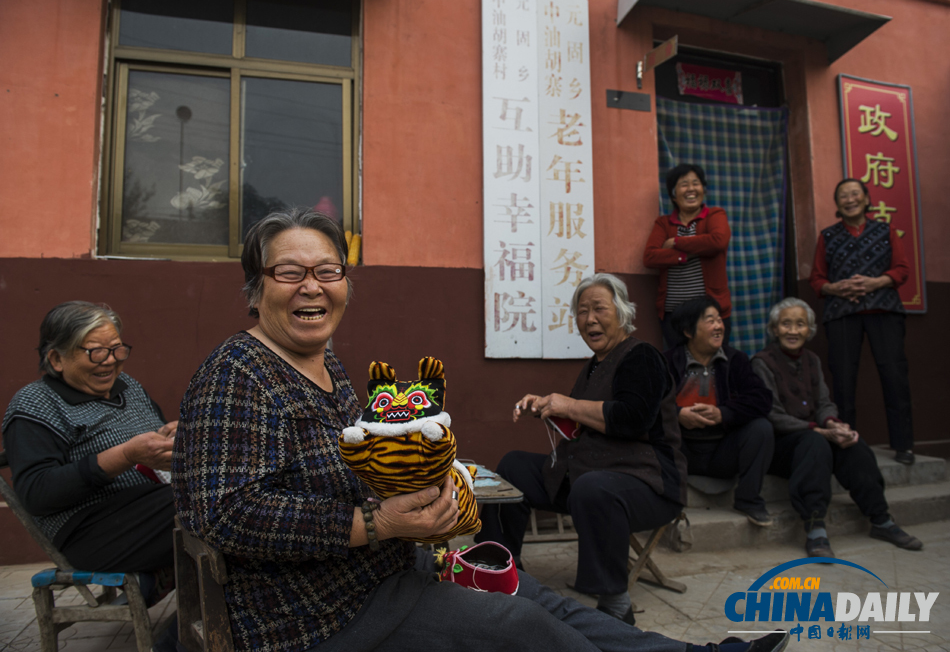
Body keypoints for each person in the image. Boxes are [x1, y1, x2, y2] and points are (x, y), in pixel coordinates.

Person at [172, 212, 787, 652]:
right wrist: (380, 523)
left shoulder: (325, 365)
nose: (312, 286)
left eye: (328, 269)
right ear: (256, 291)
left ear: (346, 285)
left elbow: (350, 468)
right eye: (289, 272)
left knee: (536, 597)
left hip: (379, 572)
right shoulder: (235, 375)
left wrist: (420, 486)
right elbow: (224, 516)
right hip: (310, 613)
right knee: (522, 628)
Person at [476, 273, 688, 626]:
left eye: (599, 309)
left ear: (621, 312)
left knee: (595, 488)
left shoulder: (643, 357)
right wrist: (548, 406)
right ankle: (502, 566)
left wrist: (568, 405)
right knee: (512, 467)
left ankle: (616, 603)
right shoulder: (595, 366)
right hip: (589, 472)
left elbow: (632, 419)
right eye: (581, 311)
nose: (589, 319)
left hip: (648, 483)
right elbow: (585, 422)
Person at [2, 301, 176, 595]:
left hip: (148, 507)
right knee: (210, 506)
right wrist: (124, 455)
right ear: (57, 359)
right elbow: (37, 494)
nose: (109, 361)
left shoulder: (128, 387)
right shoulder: (34, 405)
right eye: (95, 351)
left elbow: (158, 454)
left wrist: (171, 440)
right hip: (93, 532)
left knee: (224, 498)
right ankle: (179, 639)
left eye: (117, 349)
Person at [752, 298, 922, 558]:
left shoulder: (812, 360)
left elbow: (824, 403)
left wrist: (834, 424)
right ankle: (815, 528)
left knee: (854, 445)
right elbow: (771, 414)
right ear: (775, 329)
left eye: (800, 325)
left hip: (814, 437)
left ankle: (881, 520)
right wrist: (817, 430)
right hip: (781, 446)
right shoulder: (762, 362)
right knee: (815, 443)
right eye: (786, 324)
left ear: (809, 330)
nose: (793, 331)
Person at [809, 177, 914, 464]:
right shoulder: (827, 236)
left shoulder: (886, 230)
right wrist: (836, 288)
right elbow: (817, 280)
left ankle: (904, 445)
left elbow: (902, 270)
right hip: (841, 315)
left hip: (884, 312)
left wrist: (875, 282)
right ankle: (846, 442)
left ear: (867, 200)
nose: (850, 199)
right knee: (842, 380)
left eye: (855, 194)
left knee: (894, 377)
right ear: (837, 204)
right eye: (843, 195)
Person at [664, 296, 775, 527]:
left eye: (719, 320)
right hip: (681, 452)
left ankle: (748, 500)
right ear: (688, 331)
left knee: (761, 428)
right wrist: (679, 414)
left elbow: (762, 399)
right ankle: (666, 500)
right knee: (655, 430)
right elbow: (648, 403)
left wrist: (724, 413)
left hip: (722, 452)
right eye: (710, 320)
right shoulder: (667, 362)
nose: (718, 326)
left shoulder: (736, 360)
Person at [644, 164, 732, 349]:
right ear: (673, 195)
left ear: (703, 190)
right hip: (673, 315)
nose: (691, 189)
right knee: (678, 368)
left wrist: (676, 242)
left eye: (696, 183)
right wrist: (684, 256)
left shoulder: (715, 215)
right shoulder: (663, 223)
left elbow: (717, 241)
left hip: (711, 313)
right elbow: (650, 257)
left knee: (715, 367)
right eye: (684, 184)